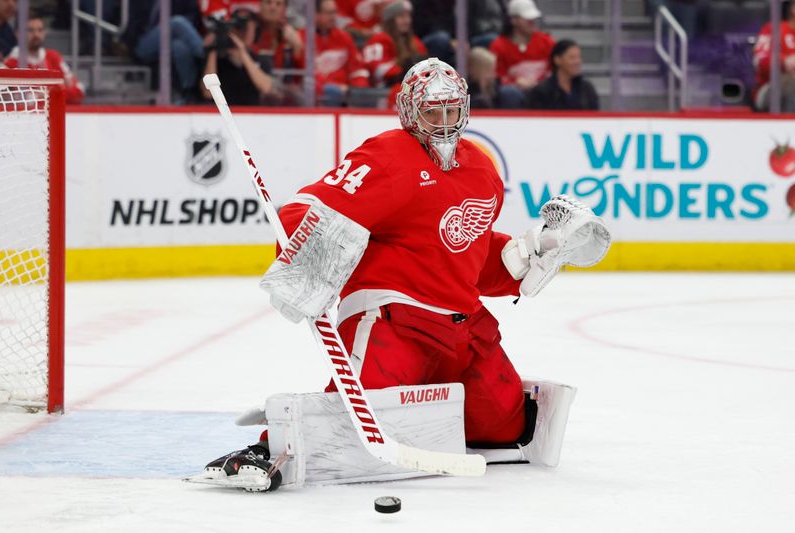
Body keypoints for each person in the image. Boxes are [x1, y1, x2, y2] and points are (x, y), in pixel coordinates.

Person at [196, 58, 608, 489]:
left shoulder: (482, 170)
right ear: (410, 112)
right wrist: (301, 247)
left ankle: (431, 412)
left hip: (465, 330)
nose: (444, 122)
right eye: (433, 111)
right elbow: (316, 207)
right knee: (359, 420)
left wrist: (527, 254)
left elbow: (470, 253)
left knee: (505, 428)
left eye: (452, 110)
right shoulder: (389, 155)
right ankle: (269, 449)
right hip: (394, 320)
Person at [122, 0, 205, 104]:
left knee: (179, 47)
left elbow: (192, 20)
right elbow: (130, 21)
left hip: (172, 40)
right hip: (143, 43)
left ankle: (188, 90)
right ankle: (206, 53)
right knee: (177, 23)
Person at [2, 14, 86, 105]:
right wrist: (57, 93)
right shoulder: (10, 64)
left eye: (40, 30)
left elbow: (79, 91)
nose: (36, 35)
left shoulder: (54, 57)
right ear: (18, 34)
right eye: (30, 30)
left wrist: (43, 95)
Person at [300, 0, 369, 106]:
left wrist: (357, 92)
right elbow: (303, 73)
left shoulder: (344, 38)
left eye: (334, 12)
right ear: (316, 15)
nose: (333, 17)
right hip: (314, 99)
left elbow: (358, 70)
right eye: (328, 13)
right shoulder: (302, 37)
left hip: (344, 99)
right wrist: (332, 87)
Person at [201, 8, 276, 105]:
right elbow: (207, 93)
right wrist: (215, 46)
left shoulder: (261, 59)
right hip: (221, 114)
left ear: (255, 31)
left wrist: (243, 53)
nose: (241, 32)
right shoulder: (217, 59)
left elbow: (266, 88)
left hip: (252, 115)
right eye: (238, 26)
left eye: (245, 27)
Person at [489, 0, 554, 108]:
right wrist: (516, 82)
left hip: (542, 91)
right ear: (514, 20)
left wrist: (541, 84)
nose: (532, 22)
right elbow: (498, 76)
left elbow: (553, 71)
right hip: (516, 92)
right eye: (528, 19)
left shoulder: (547, 42)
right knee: (508, 93)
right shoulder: (498, 46)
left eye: (533, 19)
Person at [362, 0, 426, 88]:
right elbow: (376, 68)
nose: (407, 21)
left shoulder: (415, 41)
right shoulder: (379, 39)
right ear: (390, 21)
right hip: (386, 88)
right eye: (401, 17)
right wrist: (405, 72)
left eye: (408, 16)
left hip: (413, 87)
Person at [525, 39, 598, 110]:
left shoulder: (587, 89)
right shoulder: (541, 91)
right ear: (557, 60)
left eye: (579, 57)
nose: (577, 62)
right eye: (572, 58)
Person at [753, 0, 795, 112]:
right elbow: (759, 61)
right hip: (770, 88)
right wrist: (784, 62)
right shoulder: (774, 29)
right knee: (790, 84)